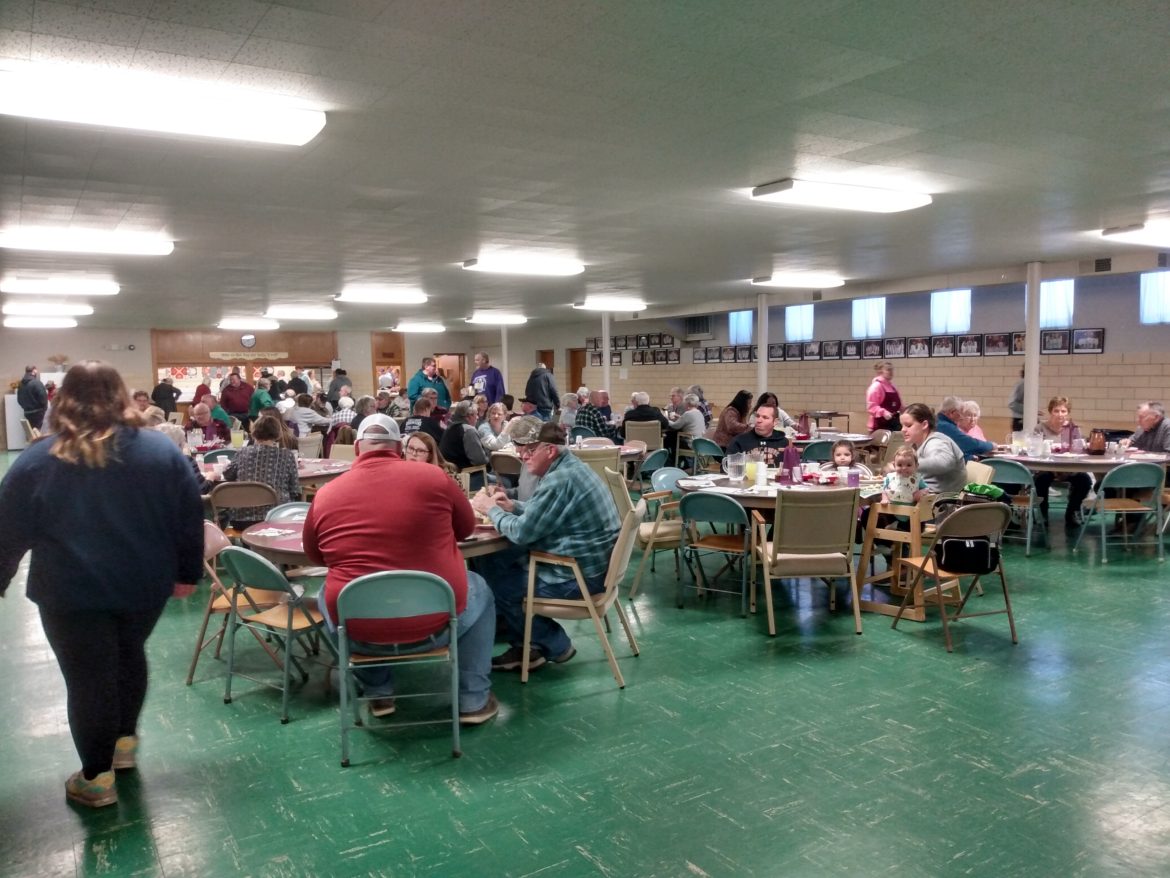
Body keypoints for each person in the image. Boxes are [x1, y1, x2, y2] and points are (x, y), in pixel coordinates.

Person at [0, 361, 203, 808]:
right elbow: (189, 515)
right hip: (143, 587)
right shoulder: (161, 452)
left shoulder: (37, 459)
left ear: (61, 398)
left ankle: (96, 777)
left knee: (88, 678)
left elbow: (8, 530)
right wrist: (187, 572)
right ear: (123, 395)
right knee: (129, 656)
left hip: (70, 593)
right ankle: (124, 746)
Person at [302, 415, 498, 725]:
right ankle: (472, 700)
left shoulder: (326, 494)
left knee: (331, 592)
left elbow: (315, 557)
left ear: (356, 448)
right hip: (435, 622)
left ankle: (378, 691)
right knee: (480, 588)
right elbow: (466, 529)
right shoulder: (433, 479)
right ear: (398, 447)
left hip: (357, 631)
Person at [471, 421, 620, 670]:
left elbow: (521, 532)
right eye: (518, 448)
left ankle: (551, 644)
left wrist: (491, 508)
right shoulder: (569, 468)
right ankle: (523, 637)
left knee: (500, 581)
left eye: (527, 450)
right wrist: (513, 507)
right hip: (592, 566)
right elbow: (547, 512)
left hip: (579, 578)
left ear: (549, 450)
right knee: (492, 560)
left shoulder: (559, 479)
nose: (521, 455)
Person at [218, 415, 300, 528]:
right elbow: (294, 489)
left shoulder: (242, 453)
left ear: (254, 432)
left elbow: (228, 475)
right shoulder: (287, 455)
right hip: (276, 517)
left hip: (241, 519)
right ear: (277, 433)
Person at [1032, 396, 1092, 526]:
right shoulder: (1040, 428)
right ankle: (1043, 513)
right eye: (1056, 411)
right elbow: (1036, 450)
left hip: (1069, 468)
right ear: (1050, 412)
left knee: (1084, 480)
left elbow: (1079, 451)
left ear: (1068, 413)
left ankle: (1072, 512)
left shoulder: (1073, 429)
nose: (1060, 414)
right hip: (1047, 468)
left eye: (1063, 411)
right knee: (1041, 479)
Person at [898, 403, 966, 494]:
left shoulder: (935, 442)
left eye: (908, 425)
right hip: (926, 494)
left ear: (924, 425)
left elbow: (944, 462)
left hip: (941, 501)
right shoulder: (916, 445)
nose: (903, 430)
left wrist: (907, 465)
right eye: (902, 426)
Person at [440, 400, 490, 487]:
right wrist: (489, 457)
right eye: (476, 414)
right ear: (469, 416)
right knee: (506, 481)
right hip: (466, 478)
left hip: (448, 476)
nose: (477, 417)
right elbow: (479, 460)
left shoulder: (449, 428)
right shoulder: (468, 430)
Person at [936, 396, 995, 461]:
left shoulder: (940, 422)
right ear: (952, 413)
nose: (961, 417)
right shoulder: (945, 426)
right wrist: (991, 445)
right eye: (960, 413)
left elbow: (955, 449)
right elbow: (969, 444)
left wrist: (969, 457)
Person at [881, 447, 928, 520]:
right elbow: (884, 490)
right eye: (899, 465)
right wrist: (884, 499)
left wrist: (921, 492)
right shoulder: (890, 477)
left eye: (908, 465)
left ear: (916, 466)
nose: (904, 468)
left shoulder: (917, 479)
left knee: (920, 521)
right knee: (882, 516)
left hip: (911, 512)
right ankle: (893, 525)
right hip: (892, 510)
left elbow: (926, 489)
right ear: (894, 465)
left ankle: (899, 527)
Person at [866, 361, 902, 431]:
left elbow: (900, 405)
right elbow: (871, 406)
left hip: (894, 423)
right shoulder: (876, 386)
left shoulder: (892, 387)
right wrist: (884, 412)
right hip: (879, 425)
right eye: (888, 370)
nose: (891, 372)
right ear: (880, 371)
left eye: (892, 370)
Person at [17, 365, 49, 429]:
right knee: (38, 434)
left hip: (27, 413)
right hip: (38, 414)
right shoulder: (37, 383)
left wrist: (25, 407)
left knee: (31, 434)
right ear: (33, 371)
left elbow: (19, 400)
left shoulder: (21, 384)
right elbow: (43, 398)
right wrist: (45, 408)